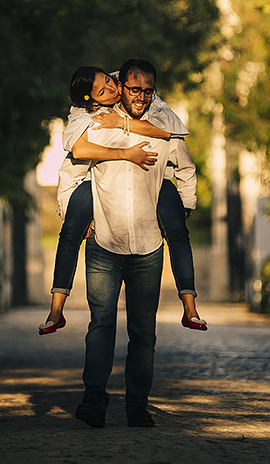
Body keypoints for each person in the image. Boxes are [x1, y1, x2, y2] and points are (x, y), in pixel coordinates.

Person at [73, 57, 199, 429]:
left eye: (147, 90)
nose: (140, 96)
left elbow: (187, 169)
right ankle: (94, 401)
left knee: (143, 332)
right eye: (133, 89)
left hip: (148, 245)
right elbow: (74, 165)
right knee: (101, 324)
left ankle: (137, 407)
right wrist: (75, 213)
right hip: (104, 242)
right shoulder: (98, 122)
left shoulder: (162, 127)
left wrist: (184, 208)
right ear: (121, 86)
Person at [39, 65, 206, 335]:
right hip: (90, 184)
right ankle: (56, 309)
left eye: (109, 81)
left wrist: (187, 202)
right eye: (103, 91)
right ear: (93, 101)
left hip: (155, 183)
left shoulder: (138, 93)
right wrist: (70, 207)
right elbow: (76, 156)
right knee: (70, 232)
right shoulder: (87, 118)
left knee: (177, 230)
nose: (113, 89)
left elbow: (168, 134)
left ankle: (190, 306)